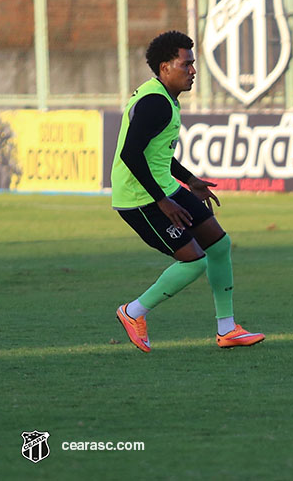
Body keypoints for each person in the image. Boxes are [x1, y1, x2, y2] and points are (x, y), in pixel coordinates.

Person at [111, 30, 264, 352]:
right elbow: (130, 154)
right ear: (165, 67)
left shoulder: (163, 97)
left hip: (163, 188)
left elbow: (158, 151)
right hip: (140, 198)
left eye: (193, 64)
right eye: (187, 64)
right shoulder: (155, 103)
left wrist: (189, 179)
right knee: (194, 261)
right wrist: (163, 201)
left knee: (219, 245)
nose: (193, 71)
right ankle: (133, 312)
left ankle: (228, 329)